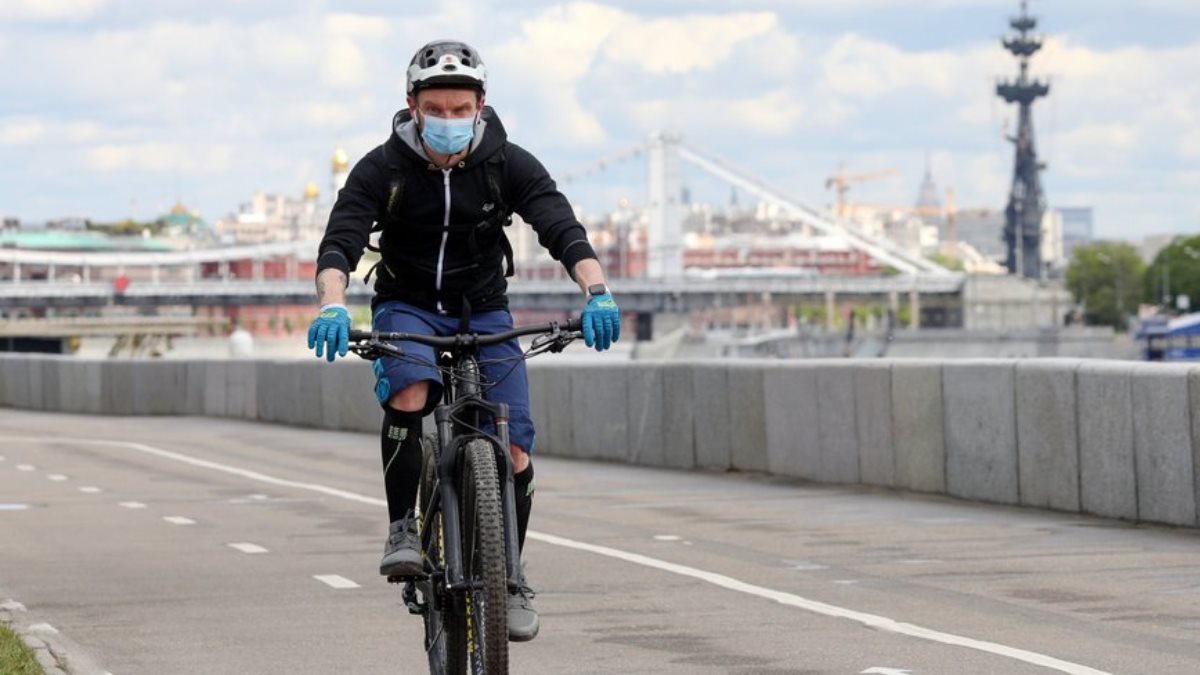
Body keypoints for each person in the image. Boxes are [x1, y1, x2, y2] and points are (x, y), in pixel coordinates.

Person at [306, 39, 620, 643]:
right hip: (408, 306)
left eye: (460, 109)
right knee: (411, 392)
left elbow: (561, 227)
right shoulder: (382, 169)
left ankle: (510, 576)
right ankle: (403, 526)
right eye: (436, 110)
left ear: (480, 106)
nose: (448, 120)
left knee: (515, 448)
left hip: (485, 310)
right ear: (413, 106)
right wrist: (332, 304)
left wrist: (597, 290)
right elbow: (339, 241)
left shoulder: (508, 164)